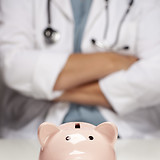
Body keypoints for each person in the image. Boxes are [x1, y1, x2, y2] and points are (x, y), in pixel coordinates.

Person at [0, 0, 160, 139]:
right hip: (31, 136)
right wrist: (111, 61)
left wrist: (46, 86)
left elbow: (154, 77)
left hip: (130, 136)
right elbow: (13, 65)